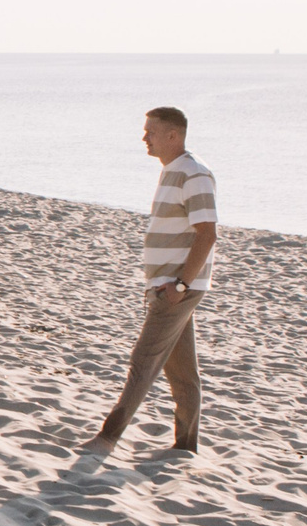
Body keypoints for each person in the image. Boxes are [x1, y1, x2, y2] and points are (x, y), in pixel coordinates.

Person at [90, 106, 218, 453]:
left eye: (151, 131)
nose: (144, 138)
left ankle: (107, 438)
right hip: (168, 286)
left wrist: (179, 286)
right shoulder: (173, 171)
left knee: (143, 362)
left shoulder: (194, 174)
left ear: (173, 135)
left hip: (177, 289)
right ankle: (186, 446)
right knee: (183, 375)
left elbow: (207, 235)